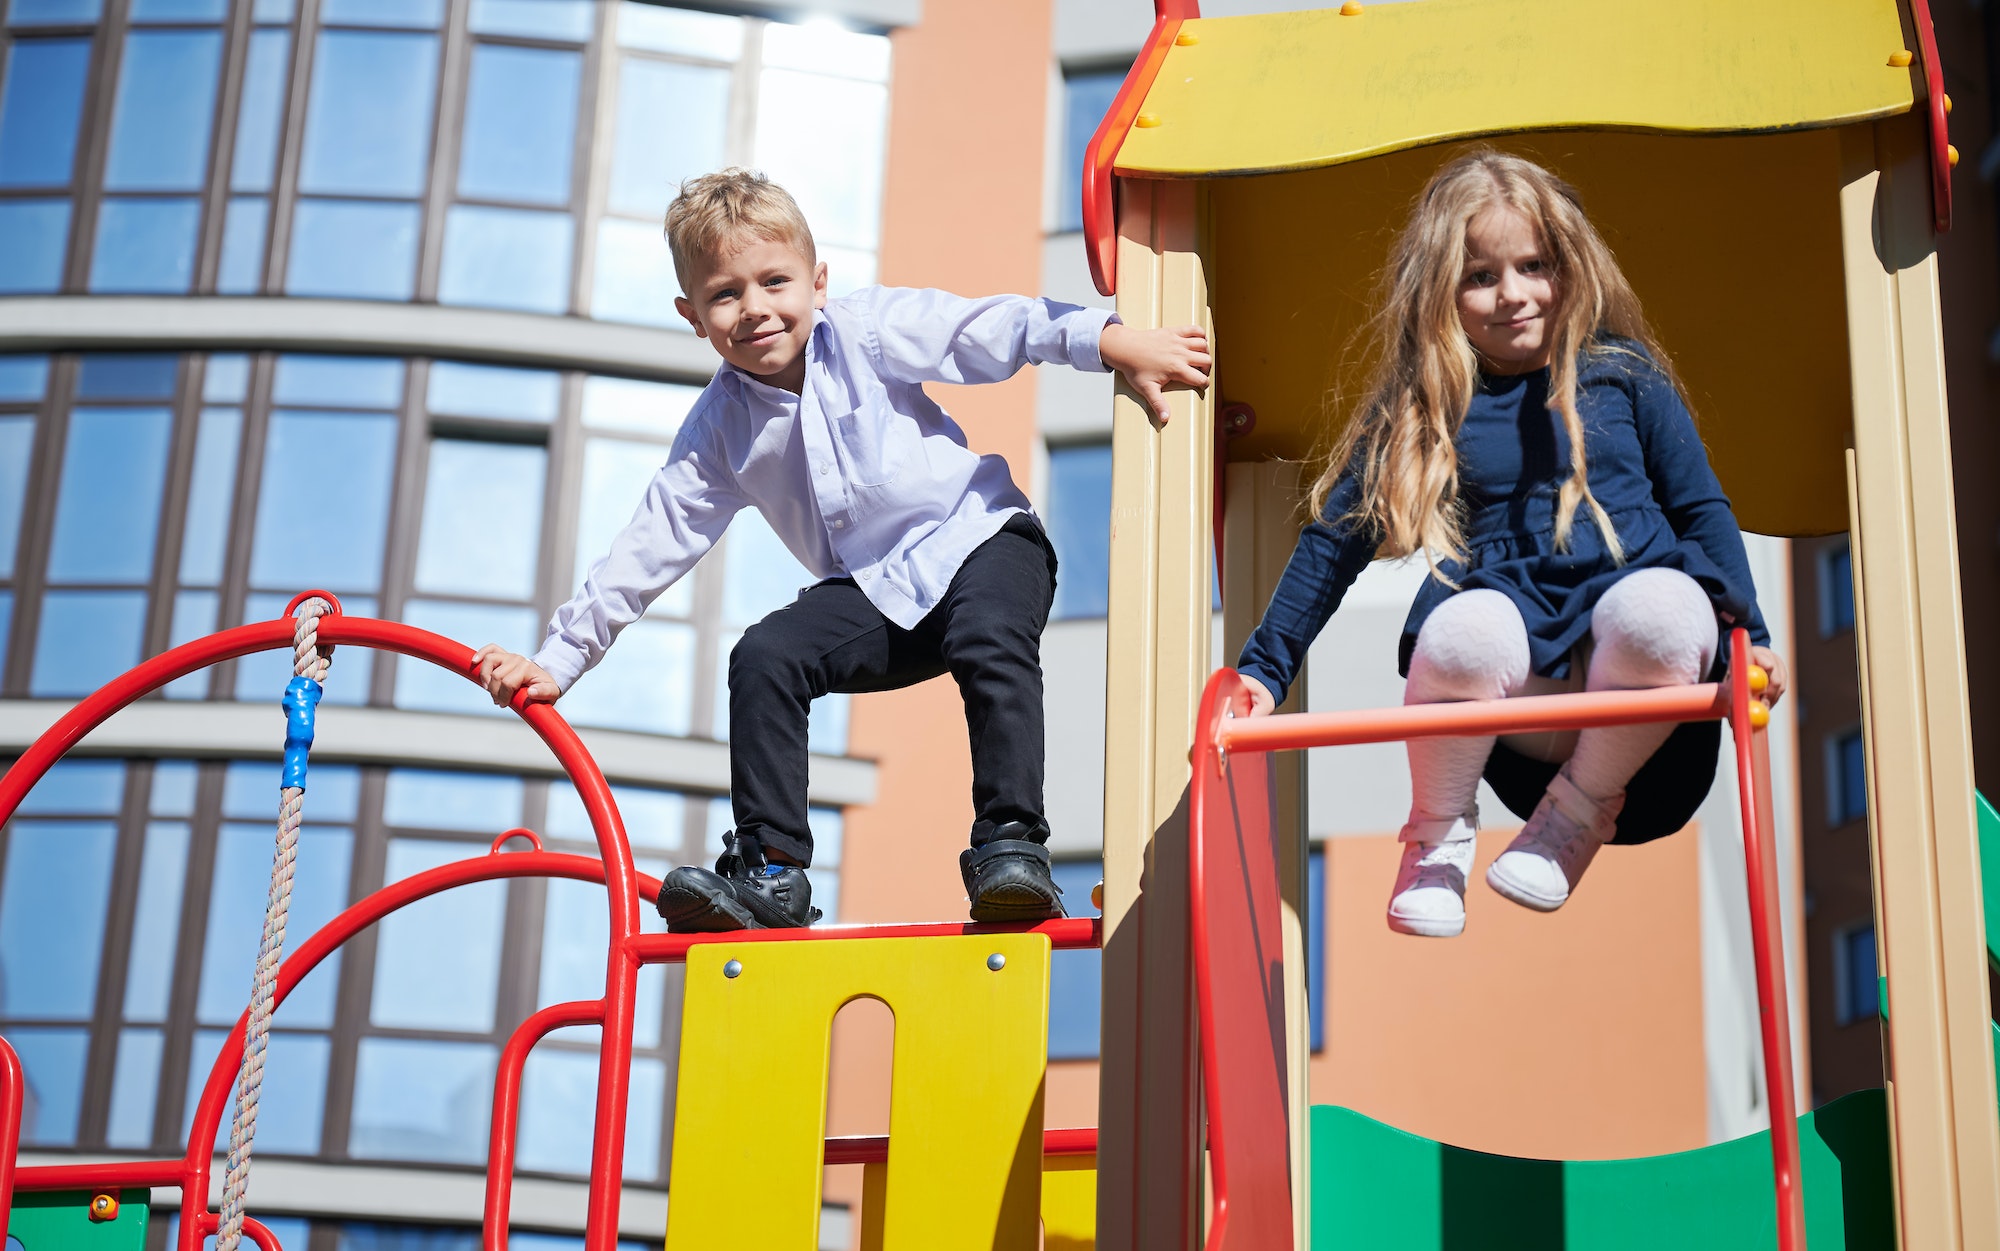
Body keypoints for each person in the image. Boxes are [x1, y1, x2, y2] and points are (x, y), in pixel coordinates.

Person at [475, 168, 1209, 932]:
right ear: (693, 316)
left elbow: (987, 330)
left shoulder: (868, 329)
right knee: (764, 655)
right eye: (726, 295)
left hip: (983, 538)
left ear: (818, 281)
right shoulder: (718, 432)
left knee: (988, 638)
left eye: (774, 282)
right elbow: (649, 543)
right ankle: (774, 871)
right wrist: (559, 659)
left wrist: (1112, 341)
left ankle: (1011, 846)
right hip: (877, 593)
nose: (755, 309)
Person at [1235, 150, 1788, 939]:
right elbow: (1335, 542)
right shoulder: (1429, 402)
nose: (1514, 295)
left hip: (1650, 722)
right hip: (1529, 717)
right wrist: (1264, 666)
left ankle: (1578, 817)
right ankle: (1437, 836)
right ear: (1440, 294)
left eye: (1534, 266)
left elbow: (1701, 508)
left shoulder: (1623, 376)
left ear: (1570, 267)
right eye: (1481, 276)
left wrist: (1752, 639)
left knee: (1659, 607)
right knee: (1463, 627)